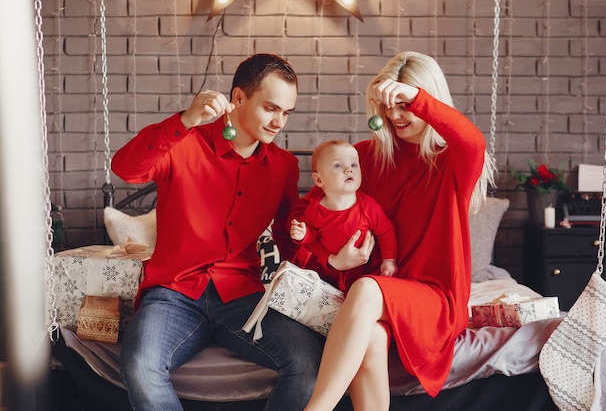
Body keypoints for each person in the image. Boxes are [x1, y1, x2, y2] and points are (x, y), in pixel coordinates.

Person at [111, 53, 323, 411]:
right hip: (173, 293)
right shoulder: (184, 143)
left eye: (286, 112)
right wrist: (185, 120)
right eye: (271, 108)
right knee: (140, 364)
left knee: (308, 364)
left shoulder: (284, 167)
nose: (279, 122)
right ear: (239, 98)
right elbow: (125, 169)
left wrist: (318, 255)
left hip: (243, 297)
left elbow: (289, 238)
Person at [296, 51, 496, 411]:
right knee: (371, 337)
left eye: (405, 105)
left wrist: (416, 99)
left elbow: (474, 141)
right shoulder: (362, 158)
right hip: (377, 301)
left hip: (433, 298)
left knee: (368, 288)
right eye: (390, 106)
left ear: (427, 98)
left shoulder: (452, 160)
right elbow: (309, 212)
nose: (395, 115)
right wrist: (332, 258)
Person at [290, 140, 397, 292]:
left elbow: (385, 231)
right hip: (326, 272)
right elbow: (311, 239)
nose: (349, 170)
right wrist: (303, 235)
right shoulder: (314, 209)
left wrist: (389, 260)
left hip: (362, 271)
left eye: (354, 165)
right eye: (338, 165)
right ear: (319, 180)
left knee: (365, 291)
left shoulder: (367, 206)